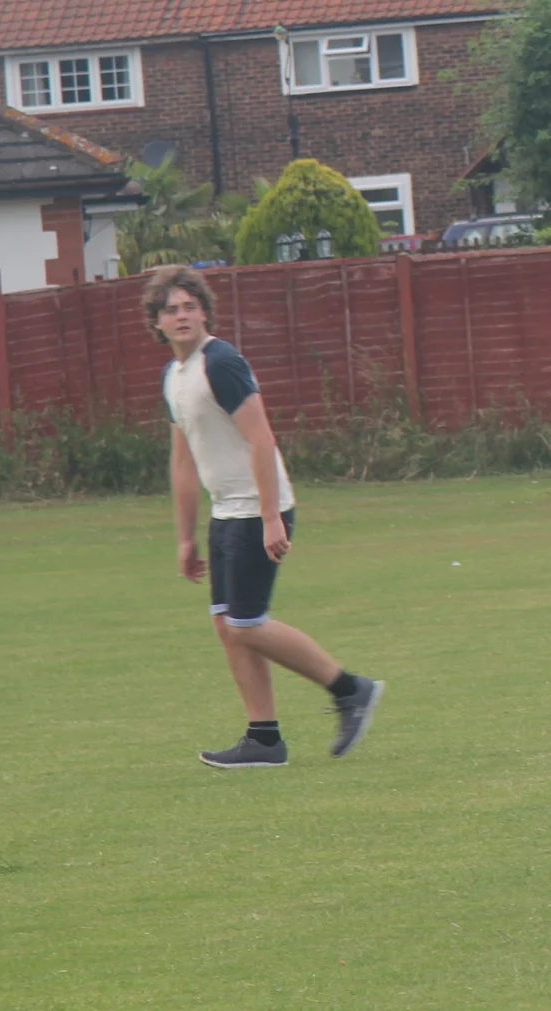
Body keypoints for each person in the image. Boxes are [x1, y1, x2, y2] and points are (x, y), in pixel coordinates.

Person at [147, 265, 382, 769]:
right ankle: (264, 738)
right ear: (158, 323)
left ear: (205, 311)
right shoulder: (175, 376)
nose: (182, 315)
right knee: (225, 623)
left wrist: (272, 516)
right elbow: (183, 460)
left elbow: (262, 437)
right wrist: (185, 537)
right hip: (226, 512)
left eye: (190, 306)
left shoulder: (222, 362)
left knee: (246, 623)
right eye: (172, 309)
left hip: (258, 509)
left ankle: (350, 689)